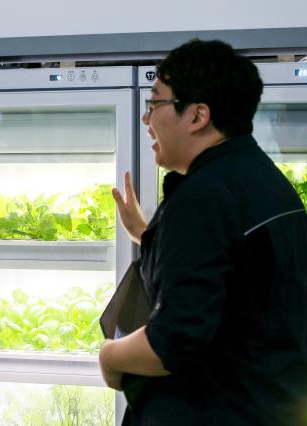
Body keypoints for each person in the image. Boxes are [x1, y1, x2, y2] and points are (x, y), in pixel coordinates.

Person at [100, 39, 307, 425]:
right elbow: (234, 278)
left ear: (197, 116)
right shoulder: (265, 181)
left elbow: (174, 340)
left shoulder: (202, 197)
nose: (147, 119)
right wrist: (148, 236)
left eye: (155, 104)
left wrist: (109, 356)